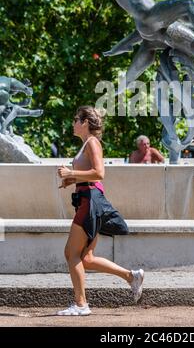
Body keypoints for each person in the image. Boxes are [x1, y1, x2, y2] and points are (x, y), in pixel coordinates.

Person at [57, 105, 144, 316]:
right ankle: (132, 277)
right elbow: (90, 174)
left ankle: (80, 305)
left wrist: (71, 171)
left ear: (85, 122)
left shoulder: (92, 142)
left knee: (72, 252)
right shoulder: (86, 143)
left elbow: (99, 172)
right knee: (85, 257)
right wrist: (72, 179)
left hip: (90, 201)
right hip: (88, 199)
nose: (73, 123)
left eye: (76, 119)